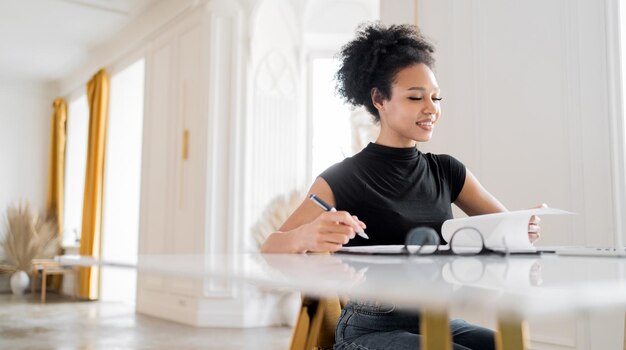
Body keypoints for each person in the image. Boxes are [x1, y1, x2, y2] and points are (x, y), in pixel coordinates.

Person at [261, 22, 543, 350]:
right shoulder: (343, 177)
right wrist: (305, 236)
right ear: (379, 99)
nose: (432, 109)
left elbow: (503, 227)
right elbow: (271, 247)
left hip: (434, 317)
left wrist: (524, 227)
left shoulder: (448, 171)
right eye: (415, 97)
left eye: (436, 98)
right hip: (369, 328)